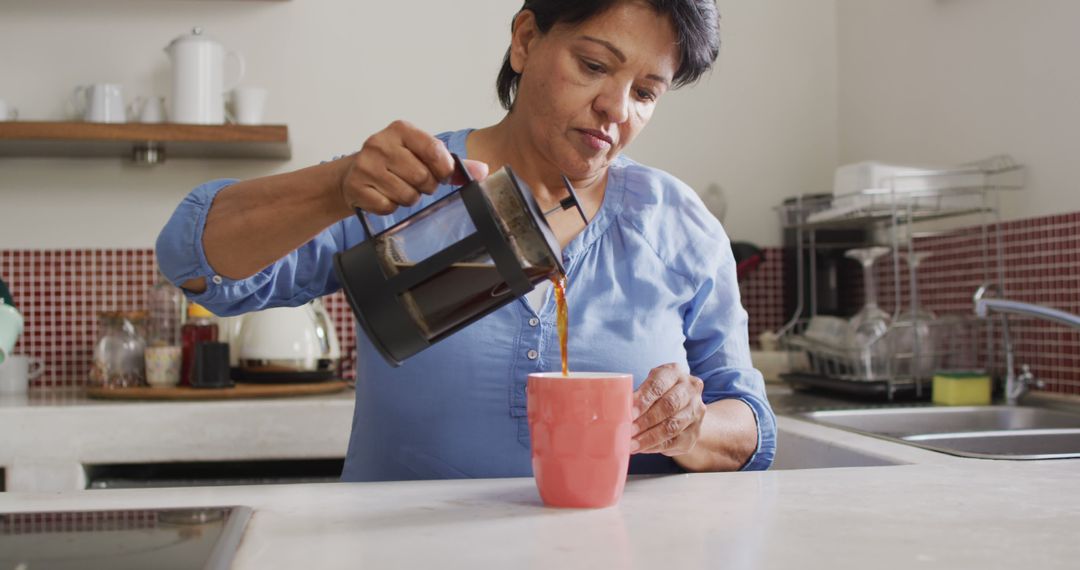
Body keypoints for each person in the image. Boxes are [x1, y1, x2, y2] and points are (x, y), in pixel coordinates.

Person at [157, 0, 776, 481]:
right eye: (593, 66)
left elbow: (751, 421)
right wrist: (334, 188)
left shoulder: (677, 224)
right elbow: (193, 263)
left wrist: (692, 431)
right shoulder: (404, 182)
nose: (616, 107)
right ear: (526, 40)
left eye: (645, 92)